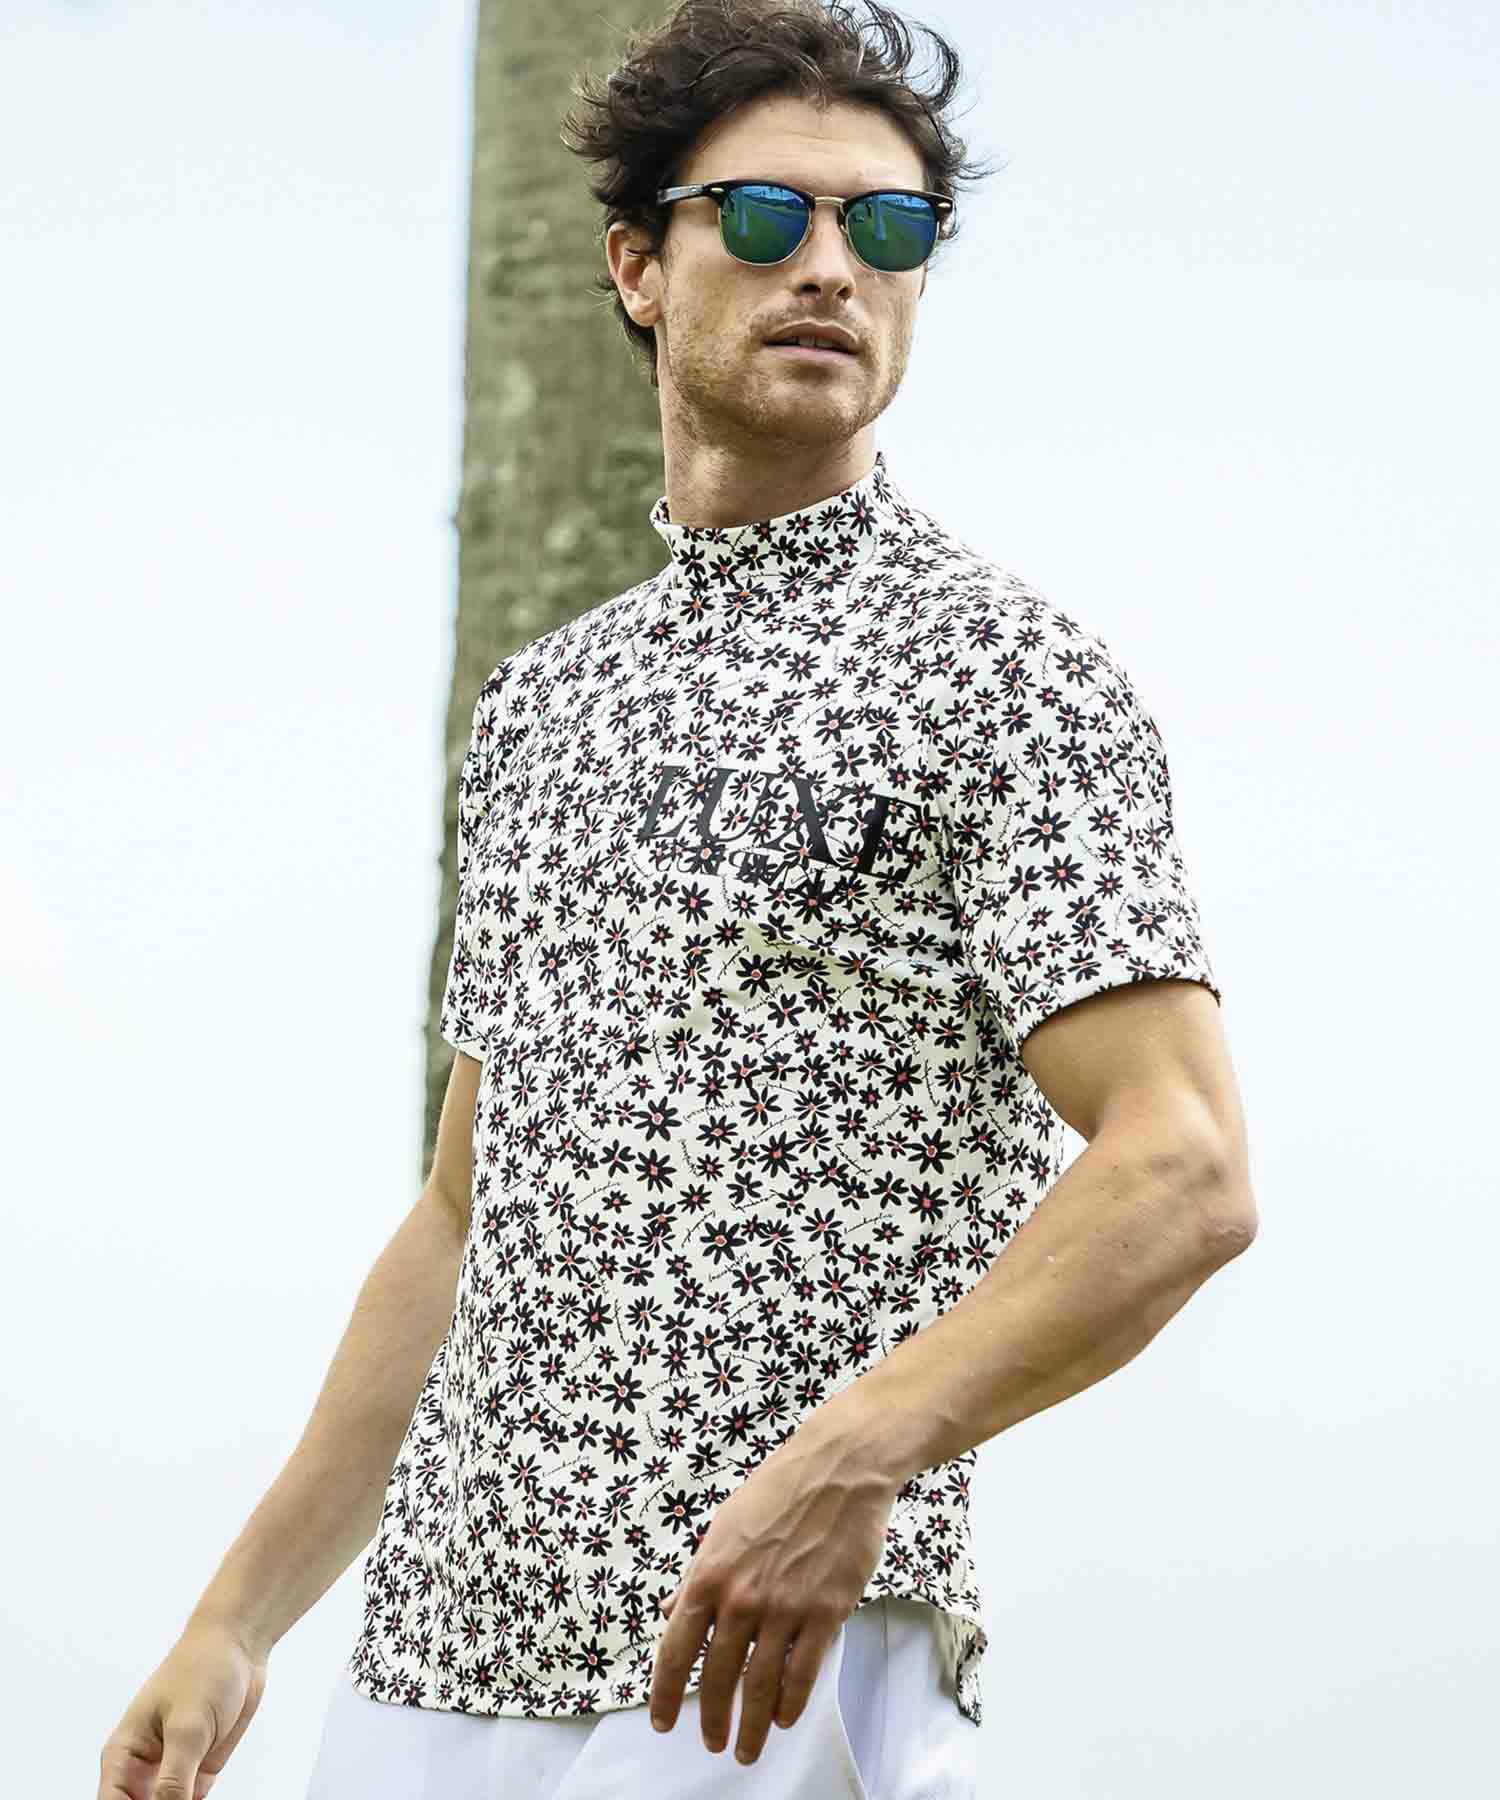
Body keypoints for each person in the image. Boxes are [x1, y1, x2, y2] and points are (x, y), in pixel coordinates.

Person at [98, 2, 1258, 1796]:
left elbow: (1181, 1168)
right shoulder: (541, 708)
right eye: (768, 216)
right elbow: (465, 1222)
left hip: (764, 1662)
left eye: (888, 228)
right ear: (640, 266)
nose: (832, 267)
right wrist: (237, 1620)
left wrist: (857, 1454)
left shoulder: (1008, 676)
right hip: (435, 1667)